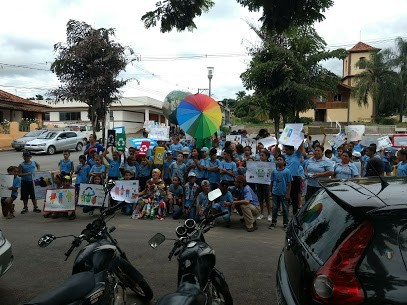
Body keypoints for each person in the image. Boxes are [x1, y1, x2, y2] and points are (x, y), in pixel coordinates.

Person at [72, 155, 91, 220]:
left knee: (83, 192)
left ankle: (82, 202)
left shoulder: (87, 166)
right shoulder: (78, 166)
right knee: (78, 192)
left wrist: (88, 181)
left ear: (84, 160)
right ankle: (78, 202)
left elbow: (89, 174)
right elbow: (75, 172)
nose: (81, 161)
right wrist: (79, 169)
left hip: (84, 181)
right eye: (80, 160)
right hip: (78, 180)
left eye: (82, 160)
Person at [256, 149, 272, 222]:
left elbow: (271, 175)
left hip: (266, 184)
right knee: (260, 199)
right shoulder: (257, 164)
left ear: (267, 156)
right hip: (259, 183)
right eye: (260, 155)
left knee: (267, 199)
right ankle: (261, 213)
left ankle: (269, 214)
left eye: (263, 155)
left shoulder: (270, 164)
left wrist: (270, 186)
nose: (261, 157)